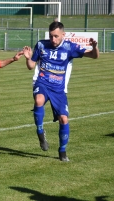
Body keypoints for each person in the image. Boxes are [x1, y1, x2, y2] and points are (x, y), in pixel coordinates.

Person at [23, 21, 99, 162]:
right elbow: (31, 66)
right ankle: (40, 132)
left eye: (56, 36)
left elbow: (94, 56)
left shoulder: (69, 47)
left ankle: (62, 151)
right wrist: (28, 59)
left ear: (63, 35)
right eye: (51, 36)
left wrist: (95, 47)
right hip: (42, 83)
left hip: (59, 89)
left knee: (64, 119)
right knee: (38, 100)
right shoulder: (41, 45)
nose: (53, 40)